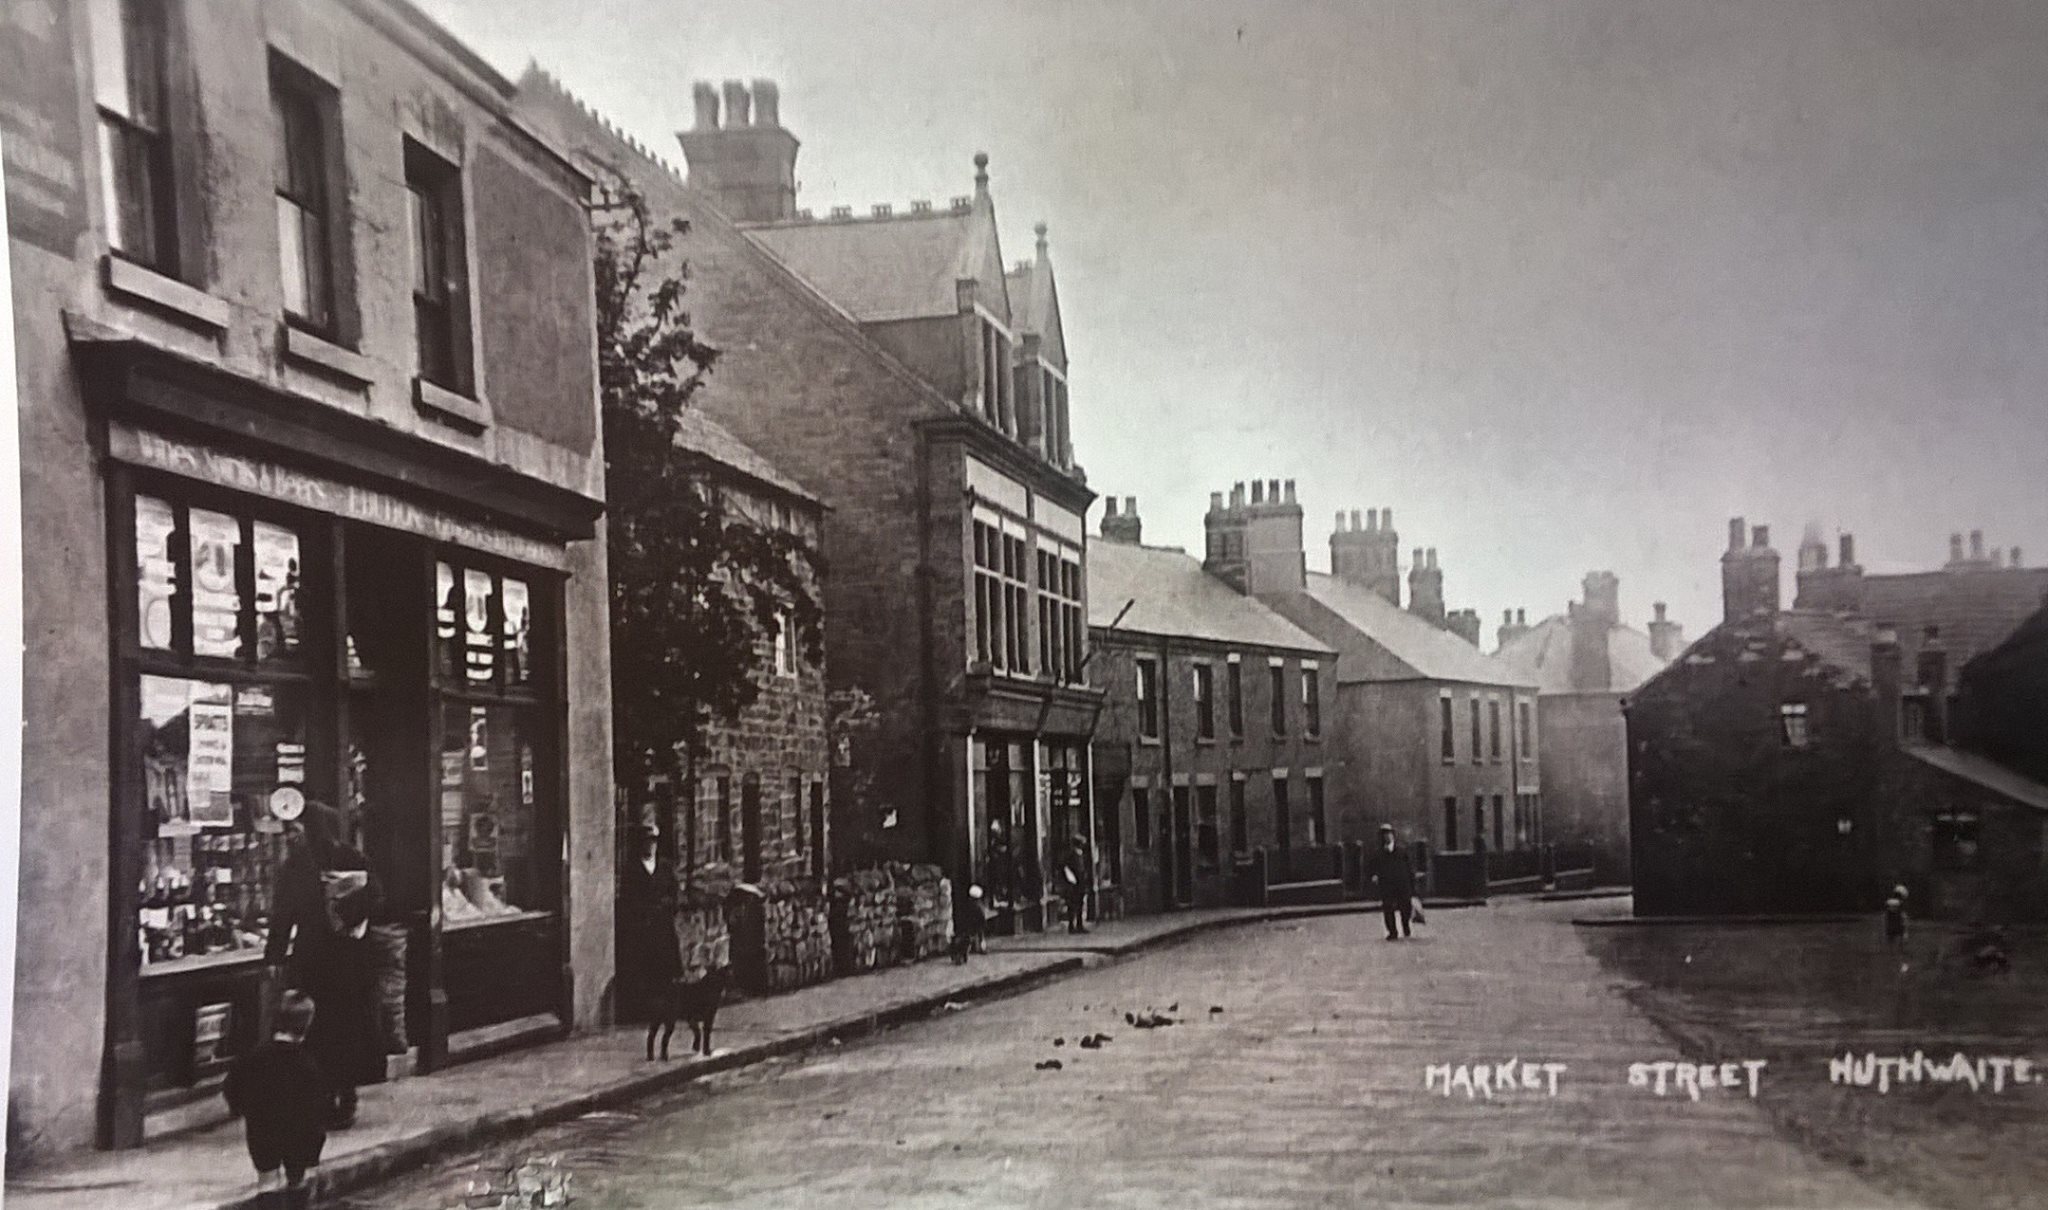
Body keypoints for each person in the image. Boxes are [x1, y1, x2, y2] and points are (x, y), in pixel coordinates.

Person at [266, 801, 382, 1128]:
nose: (291, 836)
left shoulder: (329, 861)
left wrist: (350, 904)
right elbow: (282, 917)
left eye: (296, 829)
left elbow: (376, 896)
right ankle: (331, 1096)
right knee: (329, 1028)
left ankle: (335, 1096)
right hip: (329, 958)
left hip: (331, 958)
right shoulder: (308, 865)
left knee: (331, 1029)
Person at [224, 990, 329, 1210]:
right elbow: (317, 1108)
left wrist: (242, 1109)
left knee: (267, 1181)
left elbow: (231, 1086)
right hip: (298, 1133)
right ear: (307, 1026)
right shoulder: (307, 1065)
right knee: (297, 1179)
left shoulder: (255, 1056)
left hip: (262, 1130)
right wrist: (315, 1144)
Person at [618, 821, 683, 1024]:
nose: (650, 845)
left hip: (663, 929)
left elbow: (675, 896)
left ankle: (665, 1012)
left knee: (664, 972)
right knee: (644, 972)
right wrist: (643, 912)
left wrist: (665, 906)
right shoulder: (633, 869)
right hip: (642, 930)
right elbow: (628, 898)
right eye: (646, 841)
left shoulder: (665, 867)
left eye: (653, 841)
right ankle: (644, 1013)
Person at [1368, 824, 1416, 941]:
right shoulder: (1378, 853)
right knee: (1388, 909)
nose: (1387, 837)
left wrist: (1411, 883)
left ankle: (1405, 925)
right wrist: (1374, 875)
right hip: (1387, 884)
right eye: (1384, 835)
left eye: (1389, 834)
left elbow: (1409, 868)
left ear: (1393, 836)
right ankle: (1392, 931)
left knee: (1405, 907)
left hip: (1402, 884)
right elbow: (1372, 867)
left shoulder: (1402, 851)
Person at [1059, 838, 1092, 934]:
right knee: (1072, 905)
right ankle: (1072, 926)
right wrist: (1071, 879)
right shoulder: (1071, 855)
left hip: (1080, 884)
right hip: (1073, 884)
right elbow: (1065, 867)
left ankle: (1079, 924)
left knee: (1079, 905)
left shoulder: (1080, 854)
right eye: (1081, 843)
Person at [1883, 885, 1908, 950]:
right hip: (1897, 925)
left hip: (1890, 925)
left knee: (1891, 941)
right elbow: (1902, 916)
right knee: (1899, 939)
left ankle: (1892, 950)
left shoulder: (1889, 902)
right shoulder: (1899, 904)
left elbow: (1887, 915)